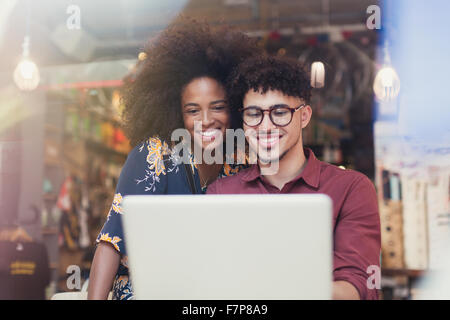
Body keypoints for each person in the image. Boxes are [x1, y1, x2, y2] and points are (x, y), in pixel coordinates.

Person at [88, 19, 262, 300]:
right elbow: (111, 242)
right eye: (193, 111)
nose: (206, 121)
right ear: (177, 114)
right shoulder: (154, 156)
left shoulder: (242, 163)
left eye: (217, 107)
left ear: (235, 108)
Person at [207, 55, 381, 300]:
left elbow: (361, 288)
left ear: (304, 116)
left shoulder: (351, 189)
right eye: (254, 113)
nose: (266, 126)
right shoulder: (221, 193)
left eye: (280, 112)